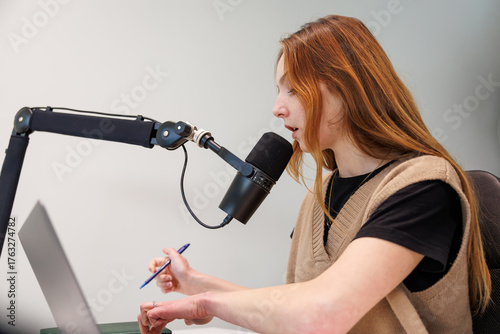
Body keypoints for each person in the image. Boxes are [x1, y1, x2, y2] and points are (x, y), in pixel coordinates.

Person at [137, 15, 491, 333]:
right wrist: (197, 284)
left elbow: (323, 314)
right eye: (279, 90)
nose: (277, 107)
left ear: (346, 87)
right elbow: (298, 307)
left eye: (292, 88)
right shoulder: (318, 197)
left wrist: (205, 304)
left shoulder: (423, 188)